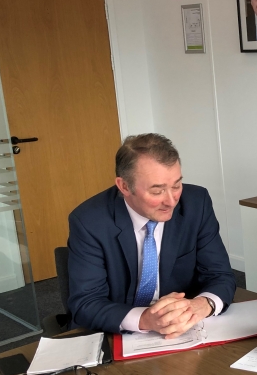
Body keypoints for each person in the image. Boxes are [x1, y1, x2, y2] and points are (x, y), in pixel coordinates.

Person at [67, 133, 236, 337]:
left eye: (176, 186)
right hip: (116, 333)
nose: (172, 201)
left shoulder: (196, 204)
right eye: (157, 191)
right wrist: (146, 319)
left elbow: (220, 275)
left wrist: (202, 305)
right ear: (124, 186)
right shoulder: (89, 221)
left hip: (183, 332)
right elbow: (86, 303)